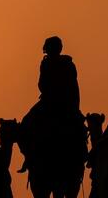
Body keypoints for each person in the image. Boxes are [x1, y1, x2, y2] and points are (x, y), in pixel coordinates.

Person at [18, 36, 85, 173]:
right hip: (55, 103)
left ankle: (82, 156)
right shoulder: (48, 64)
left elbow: (70, 86)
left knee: (80, 128)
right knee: (25, 124)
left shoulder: (66, 64)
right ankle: (28, 157)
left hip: (60, 103)